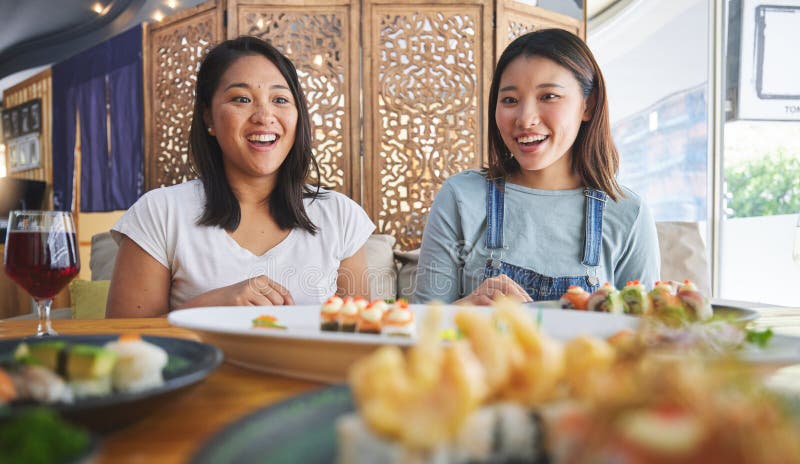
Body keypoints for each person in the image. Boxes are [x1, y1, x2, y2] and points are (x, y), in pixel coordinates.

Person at [107, 36, 374, 317]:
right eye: (242, 99)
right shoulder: (159, 213)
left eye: (280, 99)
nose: (264, 115)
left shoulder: (341, 216)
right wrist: (208, 307)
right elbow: (122, 345)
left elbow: (360, 338)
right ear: (208, 118)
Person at [413, 29, 660, 305]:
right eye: (510, 100)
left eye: (549, 96)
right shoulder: (460, 197)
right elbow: (421, 329)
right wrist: (464, 309)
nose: (525, 118)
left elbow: (642, 338)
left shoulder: (628, 213)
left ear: (587, 106)